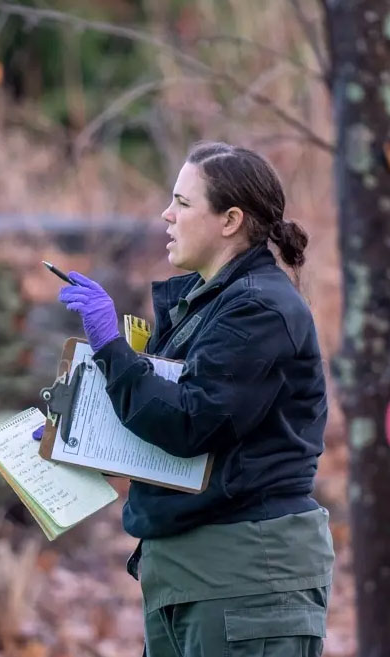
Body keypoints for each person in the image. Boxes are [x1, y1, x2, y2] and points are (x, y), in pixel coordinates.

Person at [52, 141, 333, 656]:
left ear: (230, 220)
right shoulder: (208, 305)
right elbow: (180, 428)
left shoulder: (259, 309)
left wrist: (111, 347)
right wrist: (77, 435)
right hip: (188, 578)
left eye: (182, 203)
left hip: (246, 578)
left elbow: (190, 423)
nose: (167, 214)